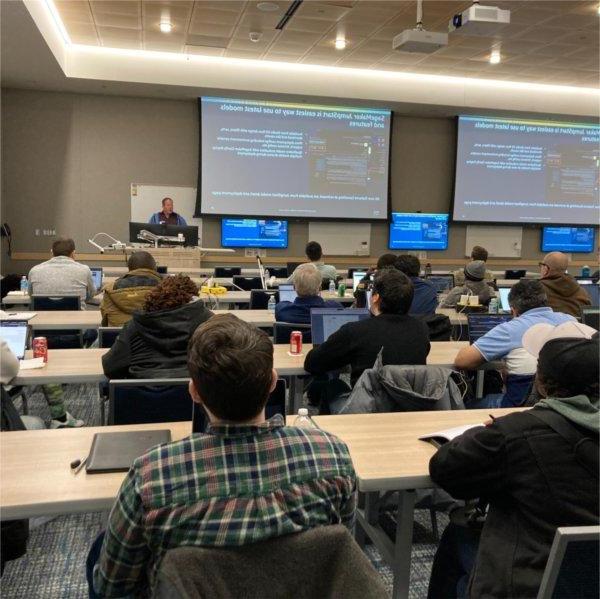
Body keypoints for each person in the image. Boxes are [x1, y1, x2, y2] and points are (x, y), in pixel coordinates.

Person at [88, 314, 356, 598]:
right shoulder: (333, 456)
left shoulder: (151, 476)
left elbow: (111, 587)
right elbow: (341, 556)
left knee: (100, 551)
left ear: (194, 392)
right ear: (273, 383)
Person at [427, 321, 599, 599]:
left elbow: (444, 469)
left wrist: (487, 432)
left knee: (458, 529)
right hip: (589, 580)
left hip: (528, 582)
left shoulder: (516, 434)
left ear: (540, 382)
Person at [304, 268, 431, 393]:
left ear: (375, 297)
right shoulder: (421, 329)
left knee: (333, 386)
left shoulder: (356, 331)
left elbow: (312, 363)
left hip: (368, 407)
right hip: (411, 404)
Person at [453, 280, 575, 407]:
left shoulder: (509, 329)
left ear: (513, 311)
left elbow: (462, 361)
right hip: (568, 404)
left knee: (470, 405)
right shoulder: (571, 321)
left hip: (522, 406)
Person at [102, 274, 212, 379]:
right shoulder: (208, 324)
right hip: (195, 395)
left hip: (140, 395)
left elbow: (110, 368)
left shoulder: (135, 326)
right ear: (193, 300)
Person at [28, 238, 96, 307]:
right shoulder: (84, 270)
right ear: (73, 253)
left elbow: (31, 294)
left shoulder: (34, 270)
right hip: (75, 317)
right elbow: (92, 293)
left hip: (42, 316)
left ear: (51, 253)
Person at [100, 251, 162, 327]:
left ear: (129, 268)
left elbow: (105, 319)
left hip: (118, 337)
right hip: (156, 337)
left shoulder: (110, 289)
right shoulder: (167, 288)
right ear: (154, 268)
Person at [275, 263, 342, 324]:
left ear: (294, 287)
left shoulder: (282, 310)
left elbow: (282, 305)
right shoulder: (335, 308)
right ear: (320, 288)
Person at [539, 251, 591, 317]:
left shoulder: (537, 290)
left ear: (546, 268)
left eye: (541, 265)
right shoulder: (582, 292)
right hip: (575, 326)